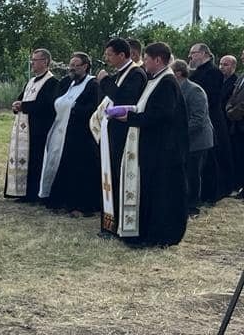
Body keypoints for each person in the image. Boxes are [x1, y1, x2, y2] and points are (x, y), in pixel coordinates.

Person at [110, 42, 188, 247]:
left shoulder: (167, 82)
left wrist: (130, 118)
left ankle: (159, 235)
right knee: (150, 190)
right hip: (153, 146)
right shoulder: (156, 80)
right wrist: (131, 110)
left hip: (164, 149)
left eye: (146, 59)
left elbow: (161, 115)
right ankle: (145, 230)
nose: (143, 62)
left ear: (158, 60)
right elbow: (146, 107)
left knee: (161, 192)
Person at [94, 38, 148, 238]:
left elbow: (123, 100)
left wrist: (104, 80)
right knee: (109, 178)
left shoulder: (136, 74)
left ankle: (118, 223)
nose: (106, 58)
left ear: (122, 55)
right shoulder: (121, 73)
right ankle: (109, 222)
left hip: (124, 136)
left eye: (109, 54)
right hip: (112, 134)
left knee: (118, 178)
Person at [38, 53, 100, 216]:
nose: (71, 68)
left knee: (80, 170)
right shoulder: (66, 82)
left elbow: (93, 107)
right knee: (62, 166)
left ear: (85, 66)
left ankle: (81, 205)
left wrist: (75, 109)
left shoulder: (93, 84)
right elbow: (56, 100)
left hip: (81, 135)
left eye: (76, 65)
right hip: (61, 131)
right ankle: (63, 201)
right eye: (70, 65)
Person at [4, 48, 59, 203]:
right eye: (32, 60)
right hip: (25, 128)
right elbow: (22, 98)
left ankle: (33, 194)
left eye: (35, 60)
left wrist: (24, 106)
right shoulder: (31, 81)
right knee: (25, 160)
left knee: (35, 161)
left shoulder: (52, 83)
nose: (32, 63)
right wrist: (16, 105)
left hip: (38, 129)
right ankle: (22, 191)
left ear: (45, 62)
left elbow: (47, 106)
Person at [188, 42, 235, 201]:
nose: (190, 56)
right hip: (203, 116)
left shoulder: (213, 72)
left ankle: (213, 192)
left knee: (212, 157)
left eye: (193, 53)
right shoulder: (198, 72)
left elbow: (211, 98)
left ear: (203, 53)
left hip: (211, 118)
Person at [173, 59, 212, 217]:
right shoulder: (177, 89)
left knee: (193, 174)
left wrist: (178, 132)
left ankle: (193, 206)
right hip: (185, 140)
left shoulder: (194, 90)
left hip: (197, 141)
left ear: (178, 73)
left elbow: (198, 119)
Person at [225, 47, 244, 197]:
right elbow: (233, 96)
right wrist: (228, 108)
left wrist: (233, 113)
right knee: (238, 156)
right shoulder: (241, 76)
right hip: (236, 125)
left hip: (241, 120)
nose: (242, 58)